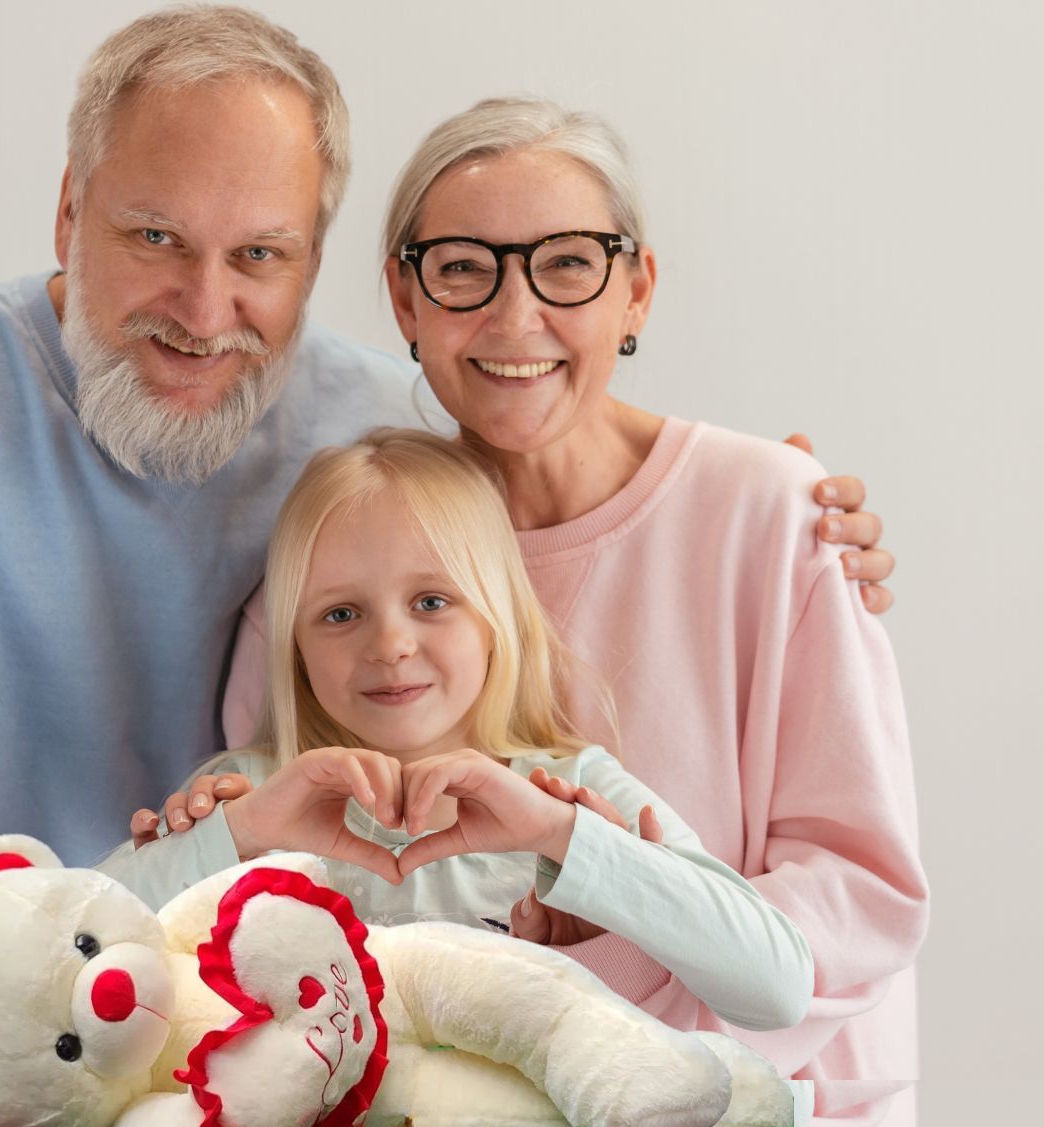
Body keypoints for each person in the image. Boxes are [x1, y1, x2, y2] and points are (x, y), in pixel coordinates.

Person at [0, 8, 891, 1127]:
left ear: (314, 259)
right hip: (20, 1078)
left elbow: (547, 434)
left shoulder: (379, 442)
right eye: (153, 234)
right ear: (69, 213)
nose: (202, 305)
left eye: (261, 255)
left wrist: (777, 502)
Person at [154, 98, 926, 1127]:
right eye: (465, 268)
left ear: (636, 290)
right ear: (406, 298)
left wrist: (608, 981)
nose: (517, 317)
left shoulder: (775, 513)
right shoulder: (344, 550)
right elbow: (284, 885)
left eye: (568, 264)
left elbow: (860, 895)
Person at [105, 427, 814, 1037]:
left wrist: (568, 842)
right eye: (340, 614)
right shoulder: (252, 794)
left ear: (495, 617)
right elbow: (68, 957)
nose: (390, 644)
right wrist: (236, 836)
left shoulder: (571, 793)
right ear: (294, 645)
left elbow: (777, 988)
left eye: (432, 601)